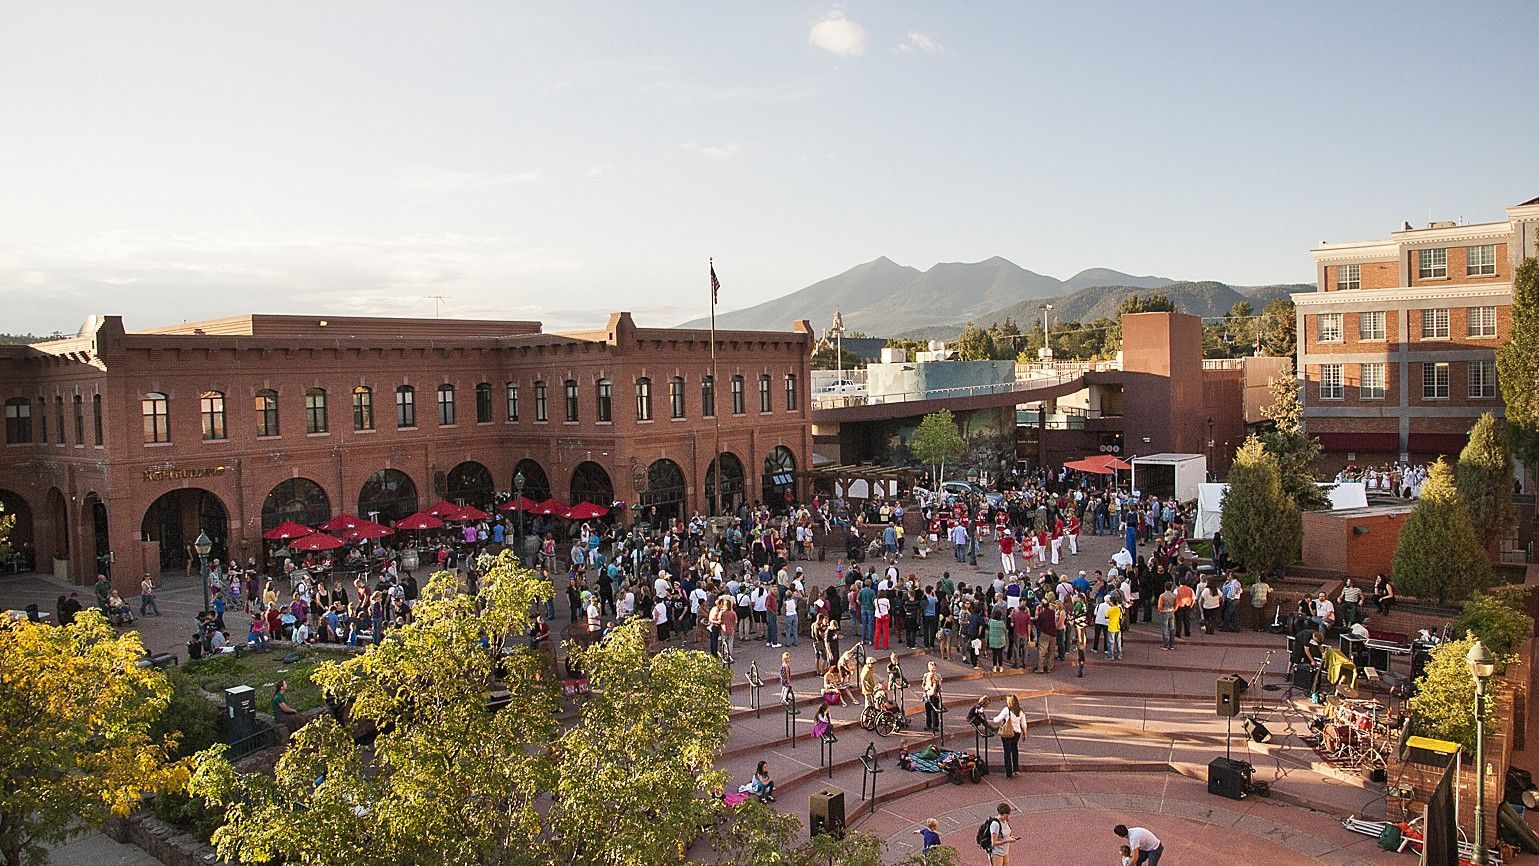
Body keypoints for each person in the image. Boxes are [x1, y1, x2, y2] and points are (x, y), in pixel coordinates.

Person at [993, 694, 1028, 778]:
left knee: (1007, 752)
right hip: (1017, 734)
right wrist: (1025, 734)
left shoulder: (1006, 710)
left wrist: (993, 718)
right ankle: (1016, 769)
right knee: (1014, 749)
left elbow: (997, 719)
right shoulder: (1021, 711)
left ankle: (1009, 773)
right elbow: (1024, 725)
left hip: (1007, 733)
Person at [922, 660, 943, 732]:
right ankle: (928, 725)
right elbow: (923, 685)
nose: (933, 669)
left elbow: (940, 686)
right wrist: (927, 688)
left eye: (934, 668)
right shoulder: (926, 675)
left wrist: (938, 688)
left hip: (935, 696)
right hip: (928, 696)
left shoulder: (938, 676)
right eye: (931, 668)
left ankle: (935, 725)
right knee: (928, 711)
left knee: (935, 711)